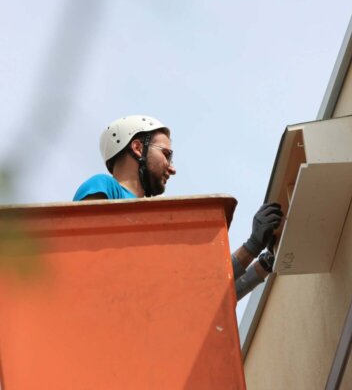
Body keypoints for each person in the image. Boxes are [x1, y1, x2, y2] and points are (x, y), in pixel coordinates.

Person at [73, 115, 282, 299]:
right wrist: (252, 246)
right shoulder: (103, 186)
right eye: (166, 154)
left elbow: (199, 294)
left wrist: (259, 259)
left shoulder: (157, 217)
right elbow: (86, 262)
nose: (172, 168)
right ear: (137, 148)